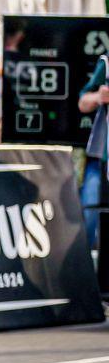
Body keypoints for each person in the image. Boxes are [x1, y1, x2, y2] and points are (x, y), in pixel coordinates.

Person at [77, 57, 108, 247]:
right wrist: (98, 96)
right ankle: (86, 269)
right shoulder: (107, 62)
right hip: (102, 158)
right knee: (89, 212)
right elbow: (83, 102)